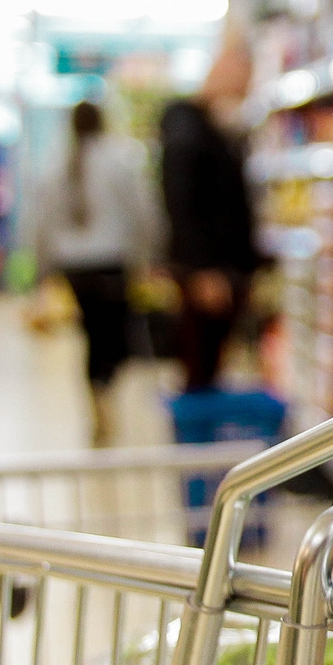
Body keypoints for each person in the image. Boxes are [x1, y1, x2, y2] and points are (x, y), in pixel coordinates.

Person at [36, 100, 161, 445]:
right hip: (111, 262)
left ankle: (97, 392)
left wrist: (42, 269)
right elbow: (143, 212)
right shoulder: (120, 160)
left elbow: (42, 221)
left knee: (92, 334)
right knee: (115, 336)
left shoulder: (55, 163)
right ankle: (105, 388)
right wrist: (149, 255)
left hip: (73, 267)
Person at [158, 41, 262, 391]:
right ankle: (197, 439)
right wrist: (202, 270)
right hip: (207, 273)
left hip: (220, 269)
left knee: (209, 363)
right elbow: (183, 203)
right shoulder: (187, 132)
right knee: (199, 362)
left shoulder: (209, 127)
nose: (247, 87)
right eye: (244, 77)